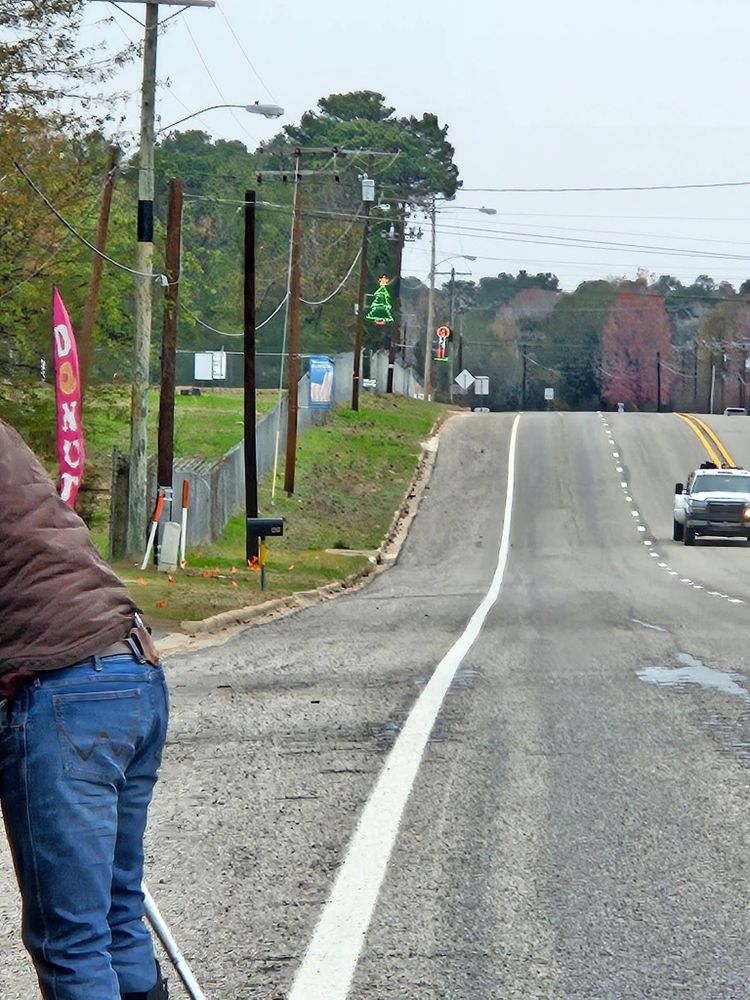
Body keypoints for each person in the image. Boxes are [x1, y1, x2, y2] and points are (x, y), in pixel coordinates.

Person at [0, 417, 170, 1000]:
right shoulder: (6, 439)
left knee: (70, 940)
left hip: (67, 689)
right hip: (133, 669)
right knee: (116, 910)